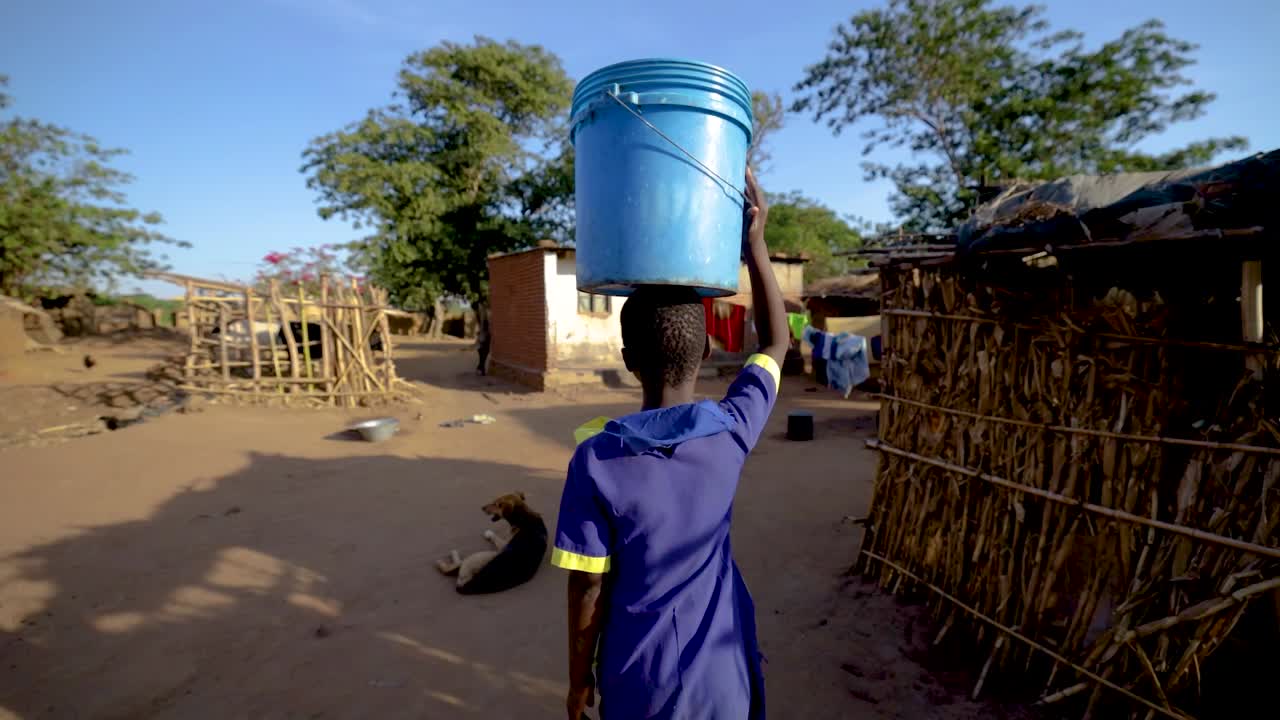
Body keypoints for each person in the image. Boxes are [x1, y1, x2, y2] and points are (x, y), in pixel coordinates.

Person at [550, 168, 786, 720]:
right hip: (723, 686)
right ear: (706, 351)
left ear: (628, 360)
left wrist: (577, 683)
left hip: (639, 688)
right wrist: (754, 243)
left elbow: (587, 591)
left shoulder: (597, 460)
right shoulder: (732, 429)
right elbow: (776, 340)